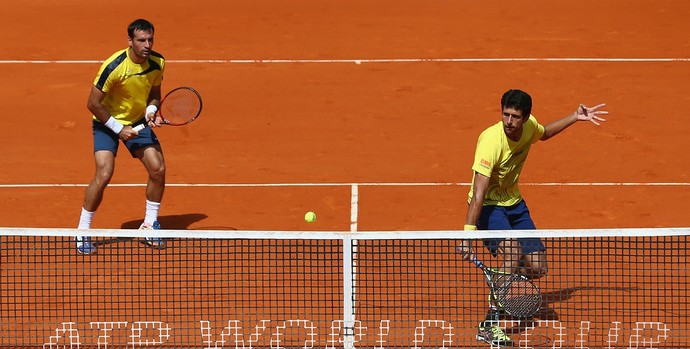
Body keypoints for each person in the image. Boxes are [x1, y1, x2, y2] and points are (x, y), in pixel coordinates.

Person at [457, 89, 607, 347]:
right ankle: (490, 325)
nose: (509, 121)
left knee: (538, 267)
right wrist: (467, 235)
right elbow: (479, 192)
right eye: (505, 114)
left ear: (525, 118)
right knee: (513, 252)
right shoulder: (490, 141)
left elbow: (544, 133)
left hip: (514, 204)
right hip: (489, 208)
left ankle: (503, 282)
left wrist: (575, 116)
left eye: (515, 116)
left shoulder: (529, 127)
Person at [75, 19, 167, 255]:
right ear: (130, 41)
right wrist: (118, 128)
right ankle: (82, 231)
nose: (147, 45)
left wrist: (151, 111)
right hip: (107, 122)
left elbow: (154, 94)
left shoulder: (158, 63)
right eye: (141, 40)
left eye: (150, 39)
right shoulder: (114, 66)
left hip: (137, 121)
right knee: (104, 174)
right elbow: (93, 103)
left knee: (157, 169)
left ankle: (149, 224)